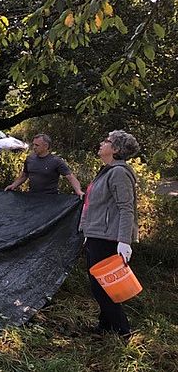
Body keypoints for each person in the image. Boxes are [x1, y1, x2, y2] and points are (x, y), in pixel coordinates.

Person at [79, 130, 139, 337]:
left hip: (109, 238)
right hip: (97, 234)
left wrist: (124, 241)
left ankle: (122, 330)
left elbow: (126, 207)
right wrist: (88, 231)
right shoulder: (106, 170)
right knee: (101, 285)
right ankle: (106, 327)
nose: (101, 144)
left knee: (103, 287)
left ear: (116, 149)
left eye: (106, 141)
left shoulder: (119, 173)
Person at [5, 133, 84, 196]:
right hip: (32, 197)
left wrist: (78, 191)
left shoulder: (56, 161)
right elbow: (24, 176)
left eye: (37, 145)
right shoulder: (30, 159)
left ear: (46, 146)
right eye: (33, 144)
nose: (34, 147)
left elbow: (70, 177)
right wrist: (13, 185)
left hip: (50, 199)